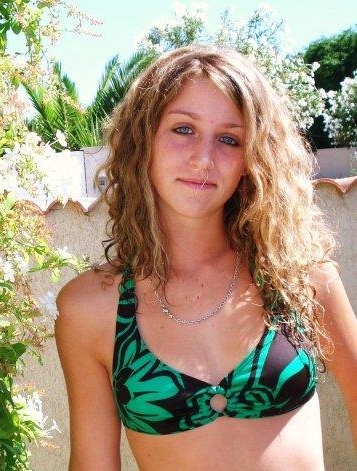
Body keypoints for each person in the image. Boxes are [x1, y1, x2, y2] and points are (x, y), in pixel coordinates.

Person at [55, 45, 357, 470]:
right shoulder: (90, 309)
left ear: (252, 159)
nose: (203, 159)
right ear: (144, 140)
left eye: (229, 139)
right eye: (183, 129)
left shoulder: (300, 277)